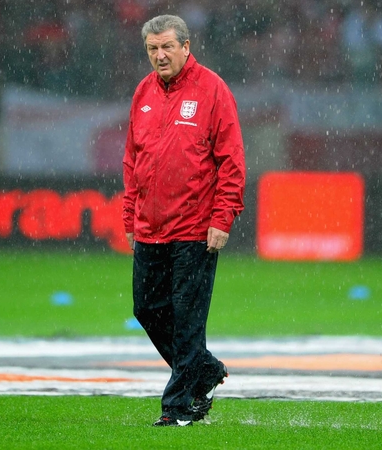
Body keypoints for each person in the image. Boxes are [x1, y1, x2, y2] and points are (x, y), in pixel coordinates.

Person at [122, 14, 246, 427]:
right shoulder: (143, 91)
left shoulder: (212, 89)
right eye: (152, 49)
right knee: (146, 308)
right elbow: (132, 160)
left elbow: (231, 161)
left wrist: (223, 216)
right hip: (150, 226)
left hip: (196, 227)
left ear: (186, 47)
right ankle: (204, 371)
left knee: (188, 318)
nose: (159, 56)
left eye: (166, 47)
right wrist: (129, 216)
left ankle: (179, 408)